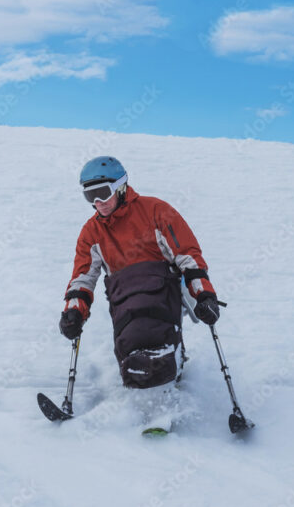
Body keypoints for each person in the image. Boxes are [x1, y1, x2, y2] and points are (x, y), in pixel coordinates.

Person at [59, 156, 220, 389]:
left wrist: (204, 295)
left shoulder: (156, 211)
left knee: (158, 330)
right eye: (90, 196)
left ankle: (171, 369)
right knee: (131, 340)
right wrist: (74, 311)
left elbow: (187, 255)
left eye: (102, 193)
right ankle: (140, 379)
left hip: (163, 290)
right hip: (123, 297)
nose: (98, 202)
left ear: (120, 187)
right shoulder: (91, 232)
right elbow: (83, 278)